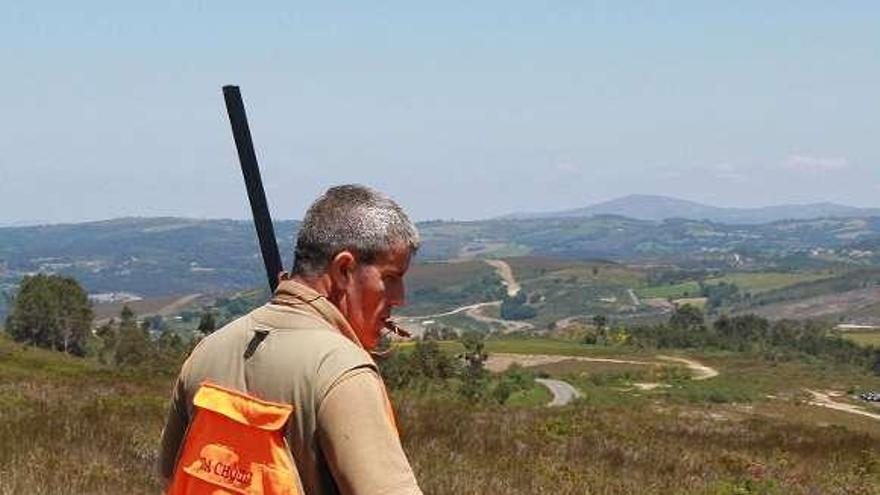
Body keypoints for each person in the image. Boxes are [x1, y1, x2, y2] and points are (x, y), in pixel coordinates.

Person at [159, 184, 423, 495]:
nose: (399, 298)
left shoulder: (207, 353)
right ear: (344, 270)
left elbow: (169, 476)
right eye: (391, 278)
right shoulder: (343, 372)